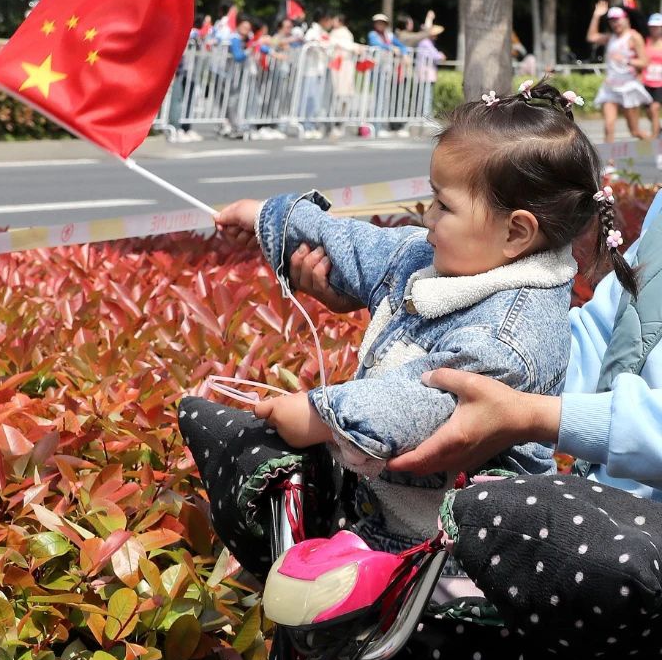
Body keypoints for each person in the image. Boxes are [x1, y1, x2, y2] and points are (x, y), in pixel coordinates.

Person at [183, 80, 633, 590]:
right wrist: (274, 219)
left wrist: (316, 414)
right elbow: (359, 243)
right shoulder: (446, 257)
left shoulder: (511, 335)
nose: (427, 215)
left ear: (516, 232)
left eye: (443, 205)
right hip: (381, 513)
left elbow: (417, 399)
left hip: (453, 557)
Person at [587, 0, 650, 143]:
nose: (615, 23)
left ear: (626, 19)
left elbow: (644, 62)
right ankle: (608, 157)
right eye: (612, 21)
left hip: (629, 86)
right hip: (611, 87)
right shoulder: (611, 37)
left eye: (617, 20)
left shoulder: (634, 37)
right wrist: (596, 16)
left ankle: (657, 146)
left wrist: (626, 60)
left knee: (634, 131)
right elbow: (591, 37)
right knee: (609, 127)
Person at [413, 24, 446, 115]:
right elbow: (435, 56)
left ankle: (424, 115)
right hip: (426, 73)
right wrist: (441, 55)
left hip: (426, 72)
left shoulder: (427, 42)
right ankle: (425, 115)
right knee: (427, 95)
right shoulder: (425, 43)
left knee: (425, 95)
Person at [643, 12, 662, 144]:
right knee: (649, 112)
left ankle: (655, 140)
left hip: (660, 83)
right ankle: (659, 130)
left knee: (655, 109)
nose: (654, 29)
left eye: (657, 26)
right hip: (646, 82)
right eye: (652, 26)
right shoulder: (645, 42)